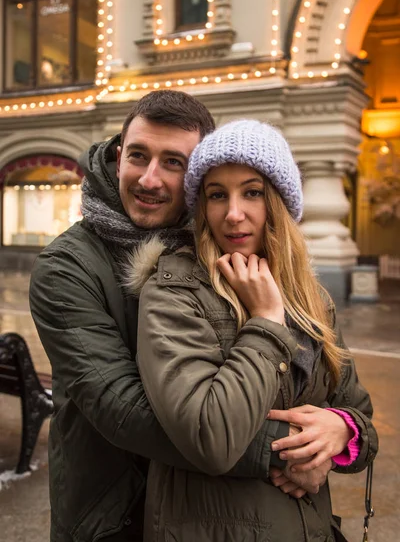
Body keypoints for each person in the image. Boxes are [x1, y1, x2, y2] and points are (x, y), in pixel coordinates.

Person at [29, 92, 320, 542]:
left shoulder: (222, 250)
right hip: (112, 514)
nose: (149, 178)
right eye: (139, 155)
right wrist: (292, 451)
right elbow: (121, 407)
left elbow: (323, 384)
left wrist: (344, 432)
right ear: (119, 152)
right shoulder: (67, 266)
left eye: (173, 162)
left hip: (209, 513)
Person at [133, 119, 378, 541]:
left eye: (252, 192)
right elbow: (209, 435)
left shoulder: (312, 298)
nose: (233, 213)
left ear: (278, 203)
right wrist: (266, 320)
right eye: (216, 195)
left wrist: (341, 431)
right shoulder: (174, 291)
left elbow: (362, 421)